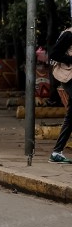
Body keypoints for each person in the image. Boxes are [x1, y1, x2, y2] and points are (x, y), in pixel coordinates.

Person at [47, 25, 72, 163]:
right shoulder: (68, 34)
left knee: (70, 116)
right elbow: (54, 54)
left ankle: (57, 152)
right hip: (68, 77)